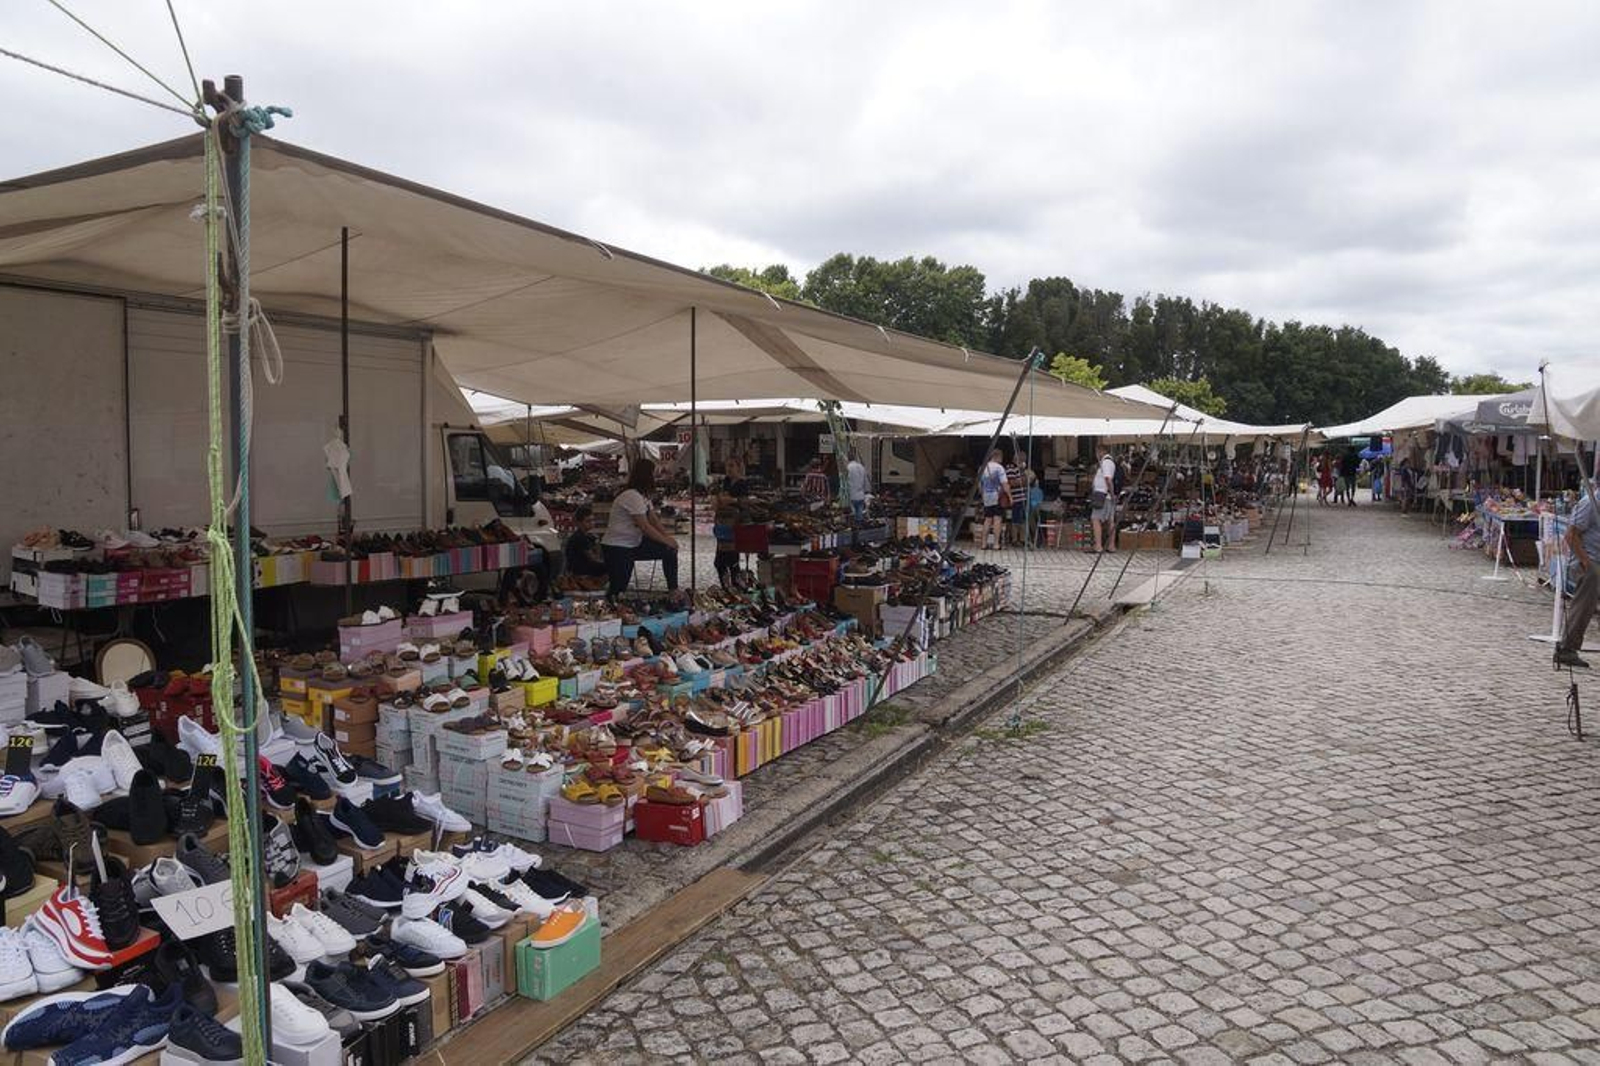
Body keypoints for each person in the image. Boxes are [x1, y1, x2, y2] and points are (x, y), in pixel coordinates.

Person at [600, 458, 679, 596]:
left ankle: (673, 590)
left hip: (633, 544)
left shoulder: (643, 497)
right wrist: (666, 540)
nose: (656, 477)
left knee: (669, 551)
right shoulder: (631, 496)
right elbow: (645, 527)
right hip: (618, 547)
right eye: (653, 474)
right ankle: (610, 608)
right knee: (618, 588)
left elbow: (653, 519)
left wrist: (668, 538)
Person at [1555, 484, 1600, 669]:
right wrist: (1587, 564)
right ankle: (1567, 648)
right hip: (1589, 561)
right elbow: (1571, 535)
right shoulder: (1590, 502)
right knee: (1583, 607)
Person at [563, 504, 609, 580]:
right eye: (588, 521)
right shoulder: (580, 538)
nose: (592, 523)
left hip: (582, 566)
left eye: (592, 520)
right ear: (579, 523)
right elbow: (593, 558)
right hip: (579, 569)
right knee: (611, 567)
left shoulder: (588, 536)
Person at [978, 449, 1008, 550]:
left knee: (987, 520)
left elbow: (979, 485)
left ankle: (983, 544)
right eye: (1001, 457)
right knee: (997, 519)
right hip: (997, 496)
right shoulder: (999, 468)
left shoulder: (982, 467)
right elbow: (1004, 484)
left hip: (986, 496)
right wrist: (1010, 496)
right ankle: (996, 544)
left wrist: (983, 496)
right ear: (997, 456)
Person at [1091, 445, 1118, 552]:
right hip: (1105, 495)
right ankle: (1111, 545)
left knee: (1095, 519)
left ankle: (1098, 545)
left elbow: (1108, 479)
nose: (1096, 455)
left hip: (1102, 495)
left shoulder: (1106, 462)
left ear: (1100, 451)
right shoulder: (1106, 462)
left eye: (1096, 452)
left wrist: (1111, 494)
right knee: (1110, 520)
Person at [846, 454, 869, 521]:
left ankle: (855, 527)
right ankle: (860, 526)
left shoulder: (848, 467)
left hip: (851, 494)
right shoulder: (861, 467)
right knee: (859, 513)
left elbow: (846, 481)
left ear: (848, 459)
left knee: (853, 514)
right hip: (861, 494)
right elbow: (865, 481)